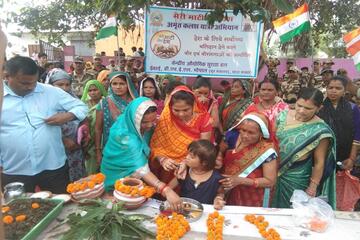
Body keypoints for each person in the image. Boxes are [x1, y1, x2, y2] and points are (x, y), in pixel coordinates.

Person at [1, 56, 88, 193]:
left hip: (53, 165)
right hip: (14, 169)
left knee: (61, 205)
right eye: (24, 83)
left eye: (33, 82)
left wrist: (67, 116)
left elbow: (81, 107)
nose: (30, 87)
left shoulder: (50, 92)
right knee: (20, 211)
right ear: (7, 76)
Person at [100, 97, 182, 210]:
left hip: (138, 176)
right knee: (118, 208)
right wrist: (166, 190)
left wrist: (162, 158)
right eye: (144, 122)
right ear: (135, 119)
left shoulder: (138, 125)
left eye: (152, 121)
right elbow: (141, 170)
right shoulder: (126, 137)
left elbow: (154, 145)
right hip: (116, 177)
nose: (149, 125)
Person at [271, 88, 336, 209]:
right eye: (299, 105)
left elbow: (319, 162)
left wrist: (313, 186)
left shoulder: (320, 130)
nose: (301, 111)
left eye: (308, 108)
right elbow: (270, 141)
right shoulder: (282, 115)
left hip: (297, 176)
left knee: (292, 211)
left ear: (319, 108)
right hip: (272, 170)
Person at [150, 86, 213, 186]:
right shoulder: (166, 119)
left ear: (194, 105)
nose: (181, 114)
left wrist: (185, 162)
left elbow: (204, 150)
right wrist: (163, 160)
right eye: (176, 110)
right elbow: (156, 145)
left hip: (192, 167)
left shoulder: (204, 120)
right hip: (167, 168)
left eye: (186, 110)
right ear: (170, 107)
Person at [220, 113, 278, 207]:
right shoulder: (234, 138)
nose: (245, 135)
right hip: (230, 190)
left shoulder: (266, 151)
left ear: (261, 133)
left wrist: (240, 180)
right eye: (243, 130)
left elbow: (270, 181)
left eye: (251, 133)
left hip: (252, 196)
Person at [46, 68, 87, 181]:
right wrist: (63, 140)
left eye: (67, 84)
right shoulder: (45, 102)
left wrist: (84, 133)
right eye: (59, 85)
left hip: (75, 147)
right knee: (60, 180)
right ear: (50, 84)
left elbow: (83, 115)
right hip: (56, 147)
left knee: (78, 181)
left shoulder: (73, 98)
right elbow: (44, 125)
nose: (64, 88)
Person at [318, 76, 360, 171]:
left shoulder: (353, 108)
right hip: (323, 156)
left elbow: (357, 134)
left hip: (346, 155)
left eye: (338, 88)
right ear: (326, 89)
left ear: (344, 90)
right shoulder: (319, 108)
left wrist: (352, 158)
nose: (334, 91)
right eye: (330, 88)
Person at [95, 71, 138, 164]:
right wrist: (98, 151)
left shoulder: (135, 104)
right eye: (114, 83)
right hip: (111, 148)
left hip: (132, 149)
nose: (118, 87)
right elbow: (98, 129)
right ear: (110, 85)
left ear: (128, 85)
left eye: (122, 83)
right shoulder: (104, 103)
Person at [168, 140, 225, 209]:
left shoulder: (216, 178)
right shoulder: (184, 172)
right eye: (188, 154)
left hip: (205, 214)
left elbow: (220, 193)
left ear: (204, 162)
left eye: (191, 157)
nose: (187, 157)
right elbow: (169, 188)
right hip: (183, 213)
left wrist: (218, 199)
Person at [81, 80, 108, 175]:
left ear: (100, 90)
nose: (92, 93)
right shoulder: (83, 105)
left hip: (104, 138)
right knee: (91, 171)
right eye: (90, 90)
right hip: (89, 141)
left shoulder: (107, 103)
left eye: (95, 90)